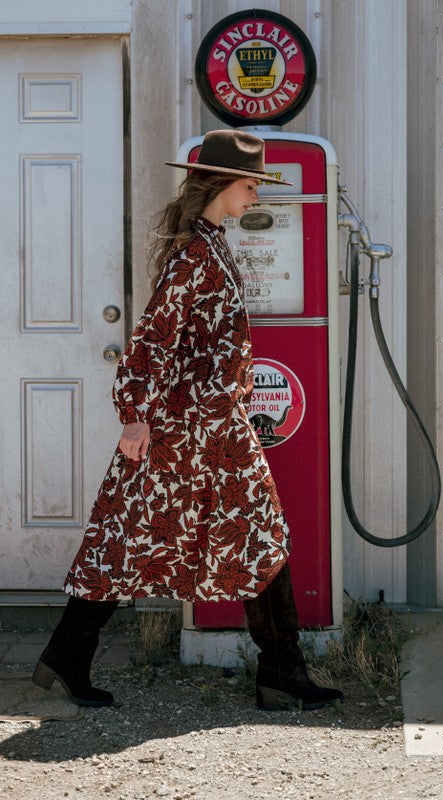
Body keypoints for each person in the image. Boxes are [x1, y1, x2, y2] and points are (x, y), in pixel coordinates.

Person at [32, 129, 343, 712]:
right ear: (222, 183)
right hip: (192, 429)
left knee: (159, 538)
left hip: (211, 425)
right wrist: (134, 416)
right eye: (251, 185)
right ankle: (279, 673)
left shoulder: (210, 242)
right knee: (150, 539)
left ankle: (69, 655)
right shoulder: (195, 252)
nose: (256, 199)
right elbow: (153, 336)